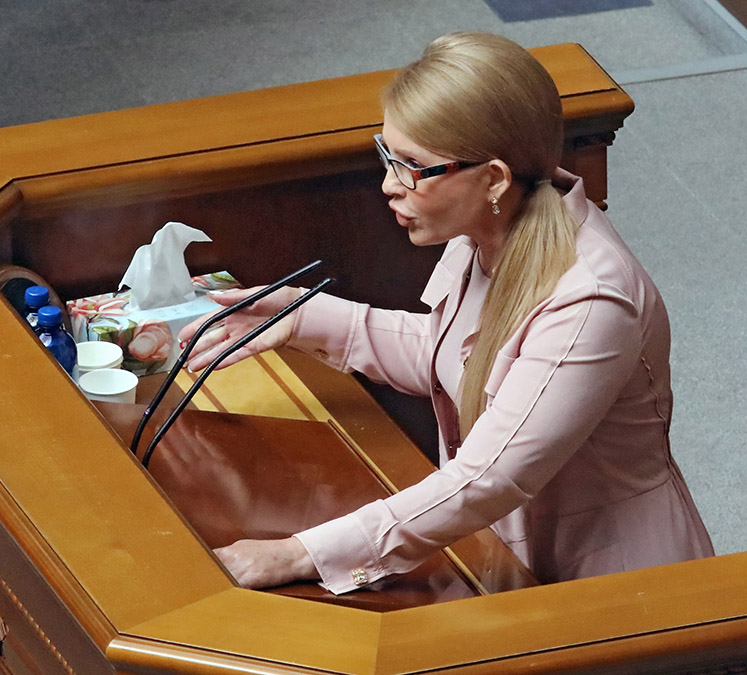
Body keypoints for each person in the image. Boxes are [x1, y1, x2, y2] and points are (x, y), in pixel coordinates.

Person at [179, 31, 713, 595]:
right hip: (503, 554)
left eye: (413, 166)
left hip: (619, 587)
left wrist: (299, 553)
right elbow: (461, 360)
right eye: (388, 156)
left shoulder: (593, 300)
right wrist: (300, 317)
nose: (389, 185)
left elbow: (489, 478)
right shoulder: (486, 225)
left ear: (494, 178)